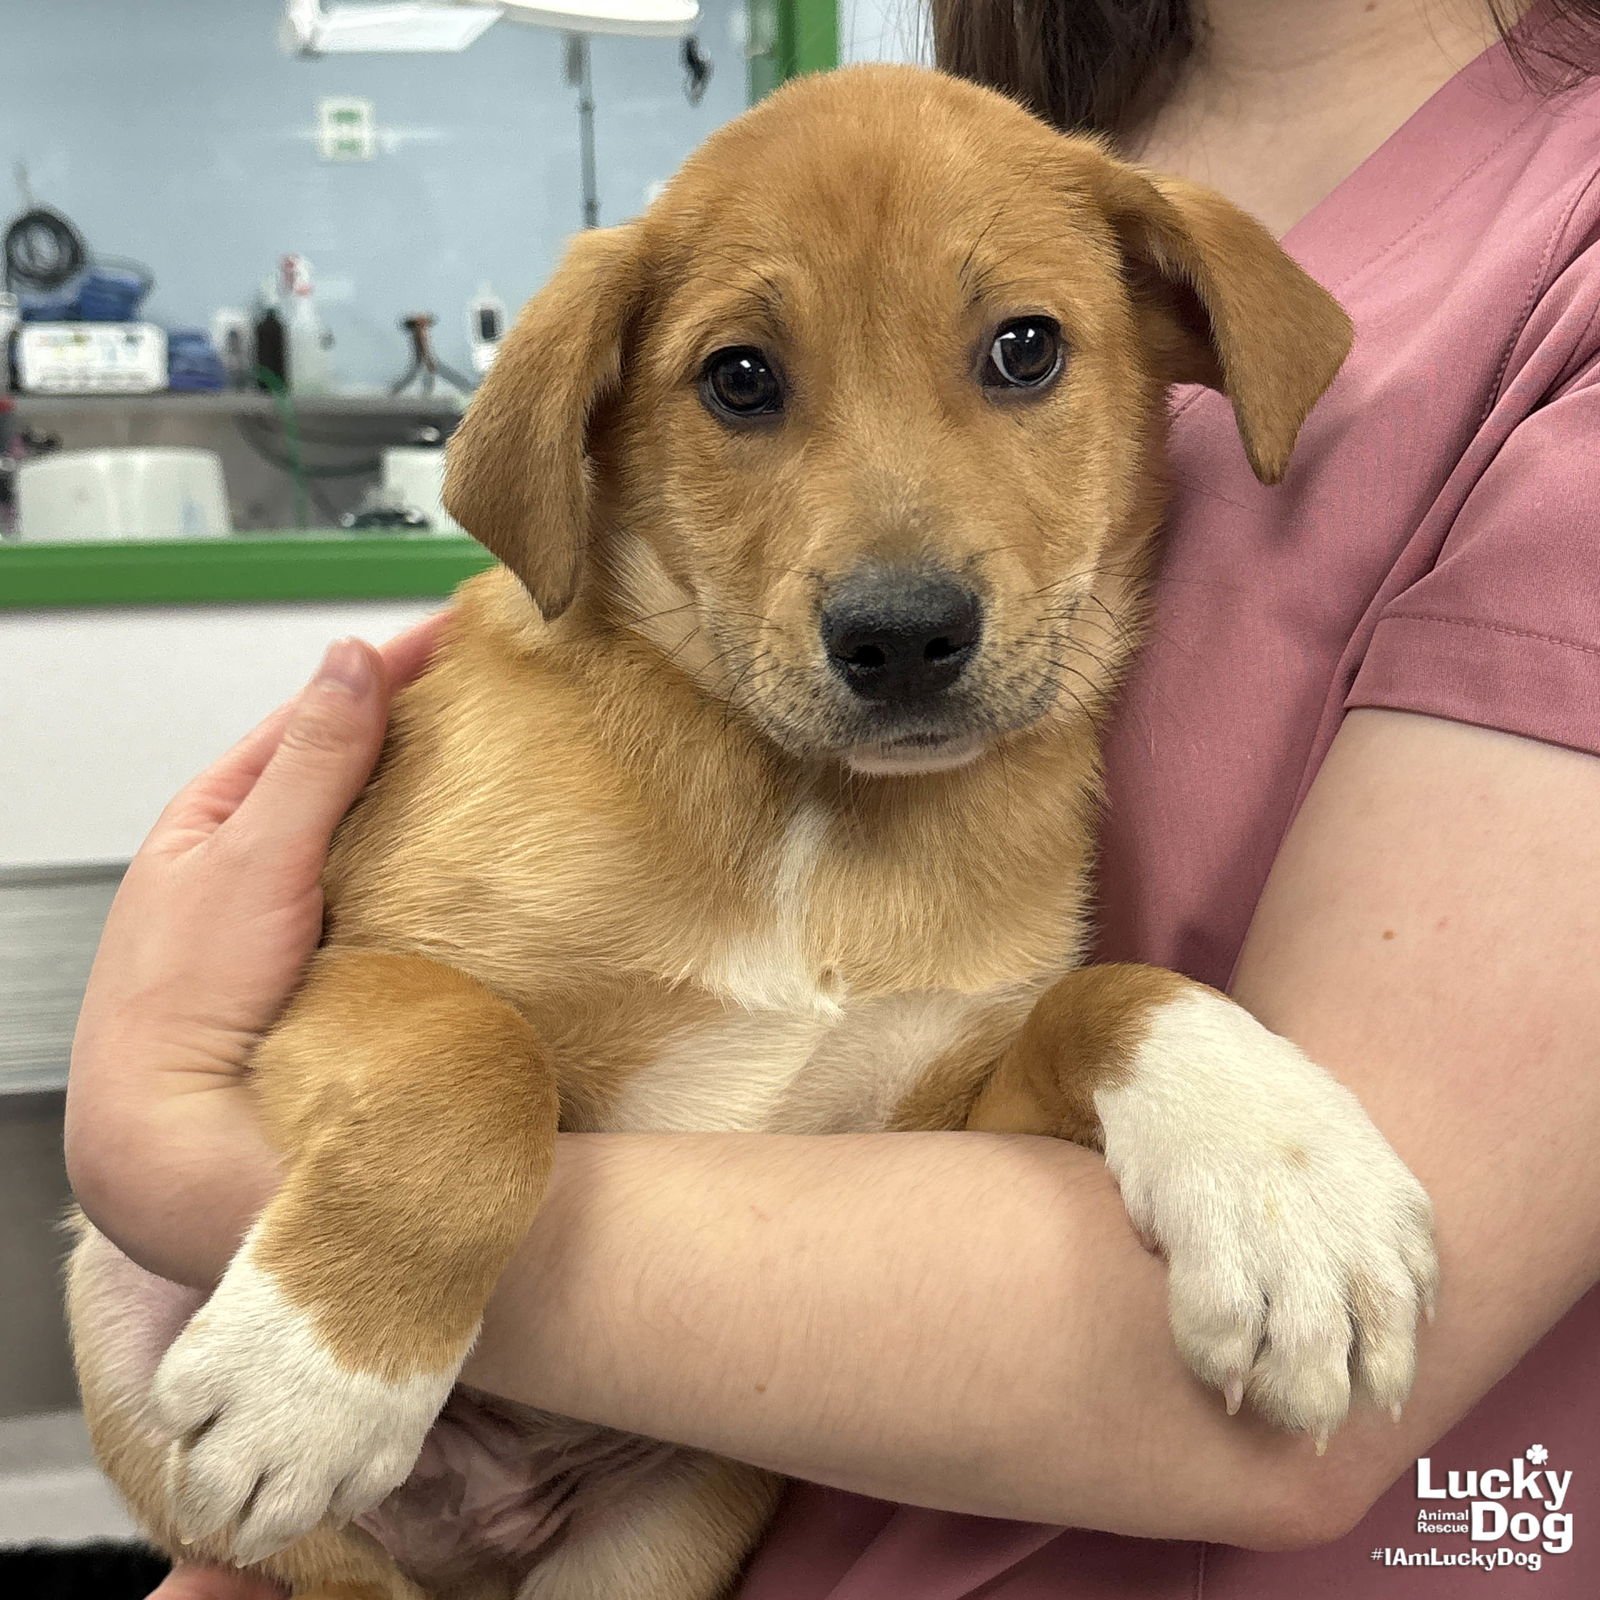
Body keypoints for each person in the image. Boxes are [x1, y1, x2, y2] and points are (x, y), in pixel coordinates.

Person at [65, 0, 1600, 1594]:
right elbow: (359, 1022)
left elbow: (1012, 1178)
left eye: (1019, 354)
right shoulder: (552, 726)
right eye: (742, 381)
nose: (897, 584)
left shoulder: (1530, 261)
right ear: (589, 430)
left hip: (693, 1501)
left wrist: (162, 1149)